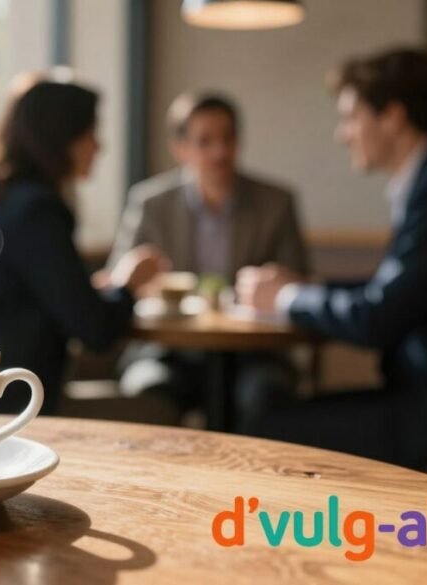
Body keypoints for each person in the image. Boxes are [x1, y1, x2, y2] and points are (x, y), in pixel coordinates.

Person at [236, 48, 427, 469]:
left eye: (351, 116)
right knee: (268, 411)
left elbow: (379, 317)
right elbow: (397, 290)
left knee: (260, 432)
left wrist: (286, 297)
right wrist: (306, 287)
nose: (343, 133)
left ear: (394, 117)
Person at [0, 76, 162, 415]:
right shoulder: (36, 211)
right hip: (9, 405)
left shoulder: (1, 200)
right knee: (159, 411)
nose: (98, 147)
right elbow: (96, 331)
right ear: (62, 138)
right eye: (90, 133)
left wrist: (95, 291)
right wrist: (129, 283)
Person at [108, 92, 310, 424]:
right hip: (166, 351)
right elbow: (118, 280)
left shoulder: (276, 203)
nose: (220, 152)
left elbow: (299, 281)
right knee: (148, 394)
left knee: (265, 397)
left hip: (255, 354)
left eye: (228, 138)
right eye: (205, 141)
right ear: (181, 148)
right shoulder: (151, 203)